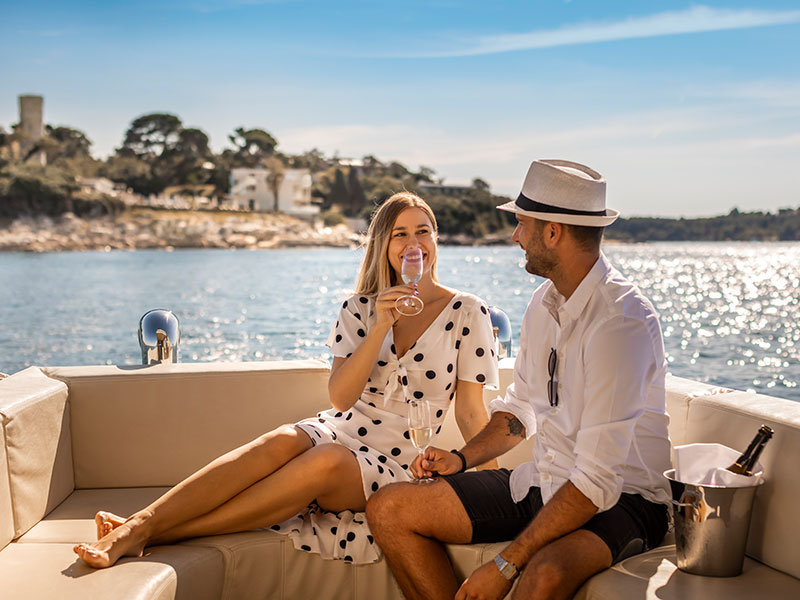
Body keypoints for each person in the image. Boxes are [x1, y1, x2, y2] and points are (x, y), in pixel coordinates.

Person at [74, 192, 499, 568]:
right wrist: (380, 326)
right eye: (400, 234)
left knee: (327, 460)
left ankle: (152, 533)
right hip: (343, 427)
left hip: (398, 461)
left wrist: (492, 492)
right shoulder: (359, 308)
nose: (413, 244)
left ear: (435, 239)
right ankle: (143, 523)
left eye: (422, 231)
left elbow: (470, 410)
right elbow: (341, 398)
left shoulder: (467, 311)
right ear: (384, 246)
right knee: (281, 439)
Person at [366, 160, 673, 600]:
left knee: (543, 574)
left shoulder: (620, 322)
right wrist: (461, 458)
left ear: (553, 232)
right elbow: (521, 408)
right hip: (547, 483)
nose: (515, 237)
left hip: (627, 499)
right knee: (390, 508)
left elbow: (597, 482)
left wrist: (505, 564)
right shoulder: (543, 302)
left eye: (522, 224)